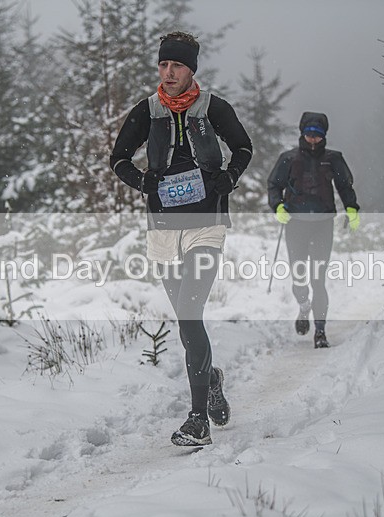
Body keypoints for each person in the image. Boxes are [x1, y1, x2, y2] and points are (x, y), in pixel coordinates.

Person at [110, 31, 253, 446]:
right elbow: (118, 158)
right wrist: (141, 181)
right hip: (163, 230)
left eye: (177, 66)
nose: (168, 73)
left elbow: (243, 147)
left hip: (206, 224)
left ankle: (197, 420)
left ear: (191, 70)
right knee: (186, 321)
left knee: (190, 311)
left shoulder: (213, 108)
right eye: (163, 65)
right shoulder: (147, 110)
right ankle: (211, 379)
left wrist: (229, 176)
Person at [267, 111, 360, 349]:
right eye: (309, 134)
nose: (313, 139)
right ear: (302, 133)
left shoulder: (333, 159)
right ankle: (303, 305)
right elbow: (274, 185)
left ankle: (320, 331)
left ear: (324, 136)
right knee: (299, 278)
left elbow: (344, 186)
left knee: (318, 280)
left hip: (322, 224)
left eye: (317, 135)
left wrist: (351, 208)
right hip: (296, 224)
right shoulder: (289, 158)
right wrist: (278, 206)